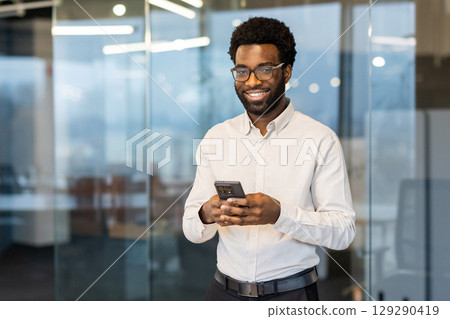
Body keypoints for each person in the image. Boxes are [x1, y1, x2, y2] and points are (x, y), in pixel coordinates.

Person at [183, 17, 355, 301]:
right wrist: (208, 213)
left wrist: (278, 214)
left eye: (264, 69)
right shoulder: (217, 137)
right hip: (222, 295)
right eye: (242, 71)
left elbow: (343, 232)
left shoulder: (320, 139)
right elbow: (192, 229)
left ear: (286, 72)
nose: (252, 81)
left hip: (292, 297)